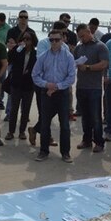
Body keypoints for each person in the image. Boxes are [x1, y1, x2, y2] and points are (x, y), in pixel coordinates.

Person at [32, 29, 76, 162]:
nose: (54, 42)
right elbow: (35, 75)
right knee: (45, 123)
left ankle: (65, 153)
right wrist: (46, 85)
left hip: (62, 93)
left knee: (65, 124)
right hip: (47, 93)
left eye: (57, 40)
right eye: (52, 40)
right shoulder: (43, 56)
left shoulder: (68, 56)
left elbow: (71, 77)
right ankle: (43, 151)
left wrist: (57, 86)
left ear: (62, 40)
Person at [73, 23, 109, 152]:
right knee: (85, 116)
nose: (81, 39)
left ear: (89, 32)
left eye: (83, 36)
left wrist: (88, 67)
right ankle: (86, 140)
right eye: (79, 37)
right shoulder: (79, 48)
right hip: (81, 86)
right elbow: (72, 62)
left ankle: (99, 141)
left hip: (94, 87)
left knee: (95, 116)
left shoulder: (100, 46)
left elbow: (104, 64)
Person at [5, 30, 38, 141]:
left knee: (25, 109)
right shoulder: (18, 50)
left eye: (28, 39)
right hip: (16, 83)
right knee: (14, 108)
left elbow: (37, 68)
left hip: (28, 85)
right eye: (24, 39)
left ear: (33, 41)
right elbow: (8, 60)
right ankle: (10, 131)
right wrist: (15, 49)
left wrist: (29, 72)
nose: (25, 41)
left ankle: (22, 131)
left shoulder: (35, 53)